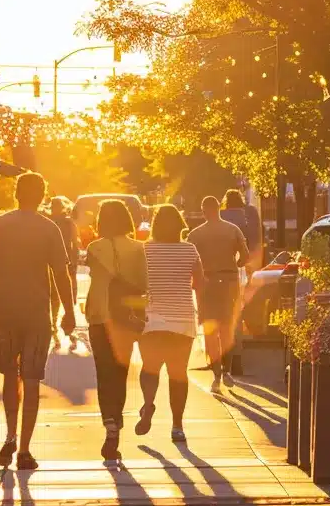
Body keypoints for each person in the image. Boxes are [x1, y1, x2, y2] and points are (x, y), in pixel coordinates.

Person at [0, 172, 77, 470]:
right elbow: (61, 273)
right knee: (31, 379)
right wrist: (70, 313)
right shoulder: (48, 228)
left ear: (16, 193)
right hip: (36, 313)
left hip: (4, 312)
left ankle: (9, 435)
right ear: (42, 195)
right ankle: (24, 449)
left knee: (10, 375)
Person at [84, 199, 147, 461]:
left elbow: (94, 278)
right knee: (120, 371)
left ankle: (109, 420)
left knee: (103, 371)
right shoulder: (138, 248)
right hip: (125, 317)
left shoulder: (93, 248)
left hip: (99, 315)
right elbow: (143, 283)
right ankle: (116, 422)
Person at [136, 204, 204, 444]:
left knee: (149, 368)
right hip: (183, 320)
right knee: (178, 374)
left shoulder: (145, 250)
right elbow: (200, 282)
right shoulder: (190, 250)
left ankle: (147, 405)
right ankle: (177, 426)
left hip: (151, 319)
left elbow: (137, 281)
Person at [187, 195, 250, 395]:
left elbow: (190, 262)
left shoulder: (195, 235)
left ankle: (216, 375)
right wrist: (234, 265)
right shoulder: (233, 230)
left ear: (204, 211)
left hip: (206, 285)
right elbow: (245, 256)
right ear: (219, 209)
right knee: (227, 328)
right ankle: (228, 370)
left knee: (210, 331)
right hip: (229, 282)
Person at [48, 196, 80, 350]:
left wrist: (74, 260)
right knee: (55, 292)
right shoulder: (47, 221)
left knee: (67, 292)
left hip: (66, 259)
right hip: (52, 259)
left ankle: (64, 318)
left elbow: (75, 243)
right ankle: (55, 320)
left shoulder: (68, 222)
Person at [222, 189, 264, 269]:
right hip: (249, 248)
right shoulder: (251, 210)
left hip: (231, 252)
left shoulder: (224, 214)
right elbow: (255, 231)